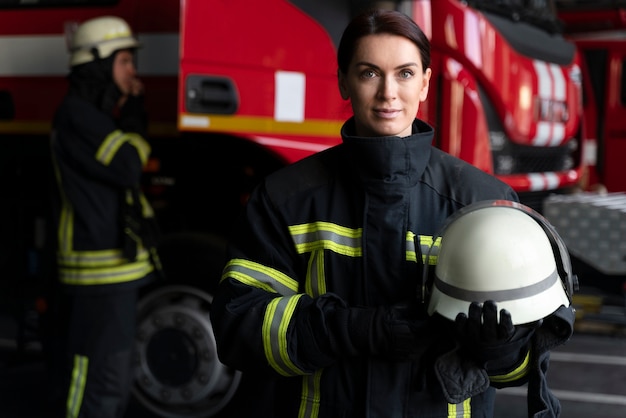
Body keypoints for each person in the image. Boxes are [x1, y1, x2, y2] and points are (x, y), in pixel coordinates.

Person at [210, 9, 574, 418]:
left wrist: (501, 347)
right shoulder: (284, 200)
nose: (388, 93)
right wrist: (355, 329)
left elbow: (521, 367)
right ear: (343, 81)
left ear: (425, 83)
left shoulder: (484, 205)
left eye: (404, 73)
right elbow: (239, 328)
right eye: (369, 73)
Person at [47, 16, 161, 418]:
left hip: (112, 269)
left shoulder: (95, 117)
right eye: (125, 61)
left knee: (113, 377)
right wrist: (135, 117)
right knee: (96, 379)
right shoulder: (78, 116)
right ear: (98, 64)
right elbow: (128, 165)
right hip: (98, 271)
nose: (134, 72)